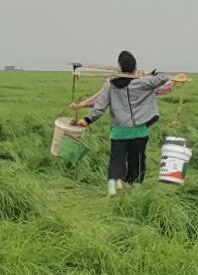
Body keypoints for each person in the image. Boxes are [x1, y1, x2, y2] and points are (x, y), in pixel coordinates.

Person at [75, 51, 187, 194]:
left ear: (120, 67)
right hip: (139, 131)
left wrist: (87, 119)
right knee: (138, 161)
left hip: (119, 132)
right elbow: (163, 77)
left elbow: (100, 105)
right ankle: (136, 189)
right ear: (135, 66)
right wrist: (152, 72)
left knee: (117, 160)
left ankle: (112, 188)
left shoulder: (110, 84)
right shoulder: (144, 82)